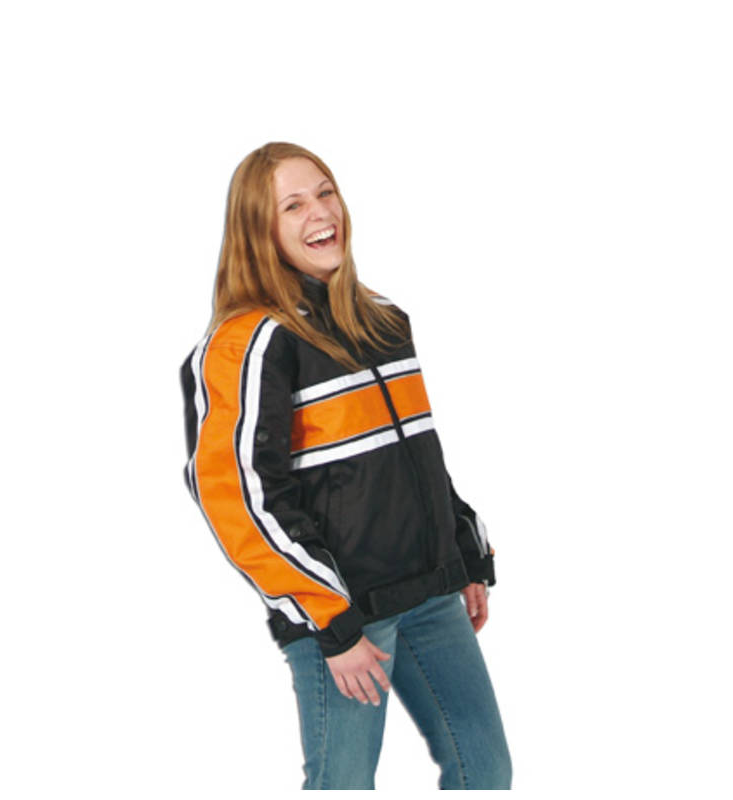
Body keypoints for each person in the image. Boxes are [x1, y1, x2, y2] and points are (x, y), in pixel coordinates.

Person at [179, 142, 512, 790]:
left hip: (431, 596)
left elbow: (416, 454)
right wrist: (330, 620)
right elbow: (236, 494)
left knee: (485, 771)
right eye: (292, 205)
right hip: (344, 614)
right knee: (344, 786)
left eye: (325, 192)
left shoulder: (382, 320)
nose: (319, 213)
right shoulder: (250, 342)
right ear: (258, 230)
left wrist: (463, 553)